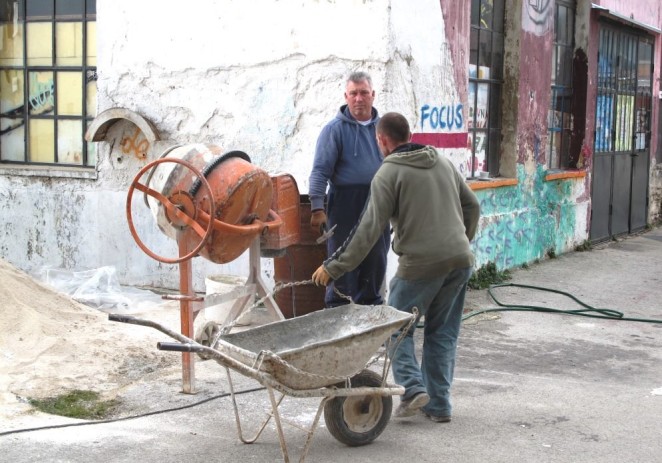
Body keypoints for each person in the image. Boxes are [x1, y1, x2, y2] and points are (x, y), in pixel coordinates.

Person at [312, 112, 480, 423]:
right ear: (408, 134)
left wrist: (334, 267)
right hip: (460, 260)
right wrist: (460, 241)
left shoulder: (387, 174)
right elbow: (473, 205)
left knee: (396, 330)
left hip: (419, 265)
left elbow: (368, 229)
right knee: (442, 334)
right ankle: (439, 405)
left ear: (382, 141)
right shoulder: (441, 162)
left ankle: (413, 389)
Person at [308, 71, 390, 307]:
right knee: (341, 263)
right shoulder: (333, 130)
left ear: (373, 95)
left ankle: (370, 322)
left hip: (378, 202)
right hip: (344, 204)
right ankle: (337, 318)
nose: (359, 99)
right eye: (353, 93)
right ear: (346, 96)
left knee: (375, 264)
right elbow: (320, 170)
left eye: (364, 92)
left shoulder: (383, 129)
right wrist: (316, 207)